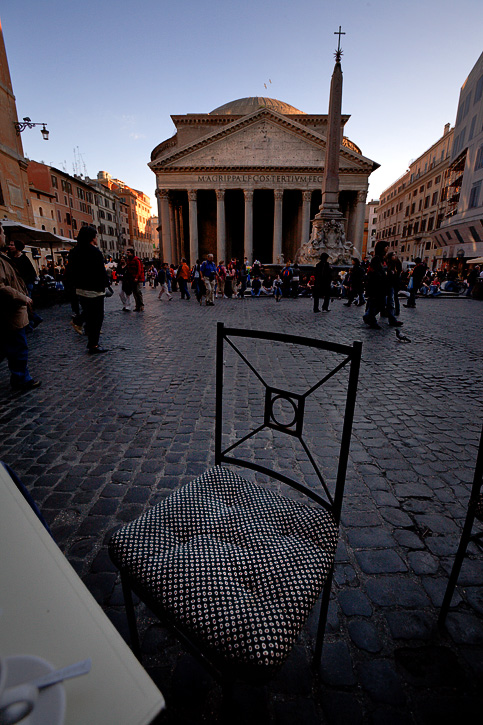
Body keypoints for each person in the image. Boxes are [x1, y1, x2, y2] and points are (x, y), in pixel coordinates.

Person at [0, 222, 41, 390]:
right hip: (11, 311)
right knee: (18, 348)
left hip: (12, 311)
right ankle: (21, 379)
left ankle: (20, 377)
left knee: (12, 347)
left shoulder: (5, 258)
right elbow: (1, 287)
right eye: (2, 233)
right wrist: (22, 297)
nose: (5, 236)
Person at [67, 225, 109, 354]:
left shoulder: (74, 252)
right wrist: (106, 284)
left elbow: (71, 271)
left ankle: (87, 334)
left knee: (89, 314)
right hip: (95, 289)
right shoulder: (95, 252)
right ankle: (93, 344)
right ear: (92, 237)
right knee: (97, 317)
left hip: (80, 289)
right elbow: (100, 271)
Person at [7, 239, 43, 329]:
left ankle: (31, 323)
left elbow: (32, 273)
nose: (9, 246)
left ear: (17, 247)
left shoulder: (24, 258)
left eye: (12, 245)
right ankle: (33, 320)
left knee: (26, 304)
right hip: (18, 285)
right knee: (23, 304)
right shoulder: (10, 257)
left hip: (26, 285)